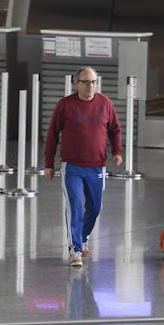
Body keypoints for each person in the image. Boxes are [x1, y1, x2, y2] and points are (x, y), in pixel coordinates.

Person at [44, 66, 123, 267]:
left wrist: (117, 152)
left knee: (95, 208)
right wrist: (49, 163)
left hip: (97, 167)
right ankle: (75, 250)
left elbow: (114, 129)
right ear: (76, 83)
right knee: (76, 206)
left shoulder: (105, 103)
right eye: (86, 82)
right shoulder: (65, 105)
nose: (90, 86)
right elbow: (52, 134)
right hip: (72, 167)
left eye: (93, 82)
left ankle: (83, 237)